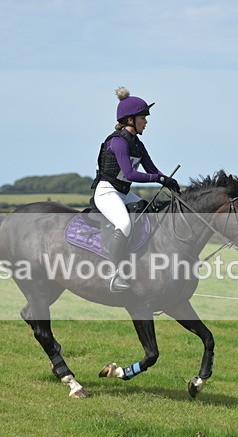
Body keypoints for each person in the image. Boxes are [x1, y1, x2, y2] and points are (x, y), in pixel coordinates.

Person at [93, 86, 180, 292]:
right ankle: (112, 274)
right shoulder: (117, 142)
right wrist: (158, 178)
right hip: (107, 192)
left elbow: (151, 168)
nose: (146, 122)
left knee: (148, 214)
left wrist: (167, 180)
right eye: (143, 118)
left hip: (122, 193)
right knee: (124, 224)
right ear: (130, 120)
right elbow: (130, 174)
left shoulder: (137, 144)